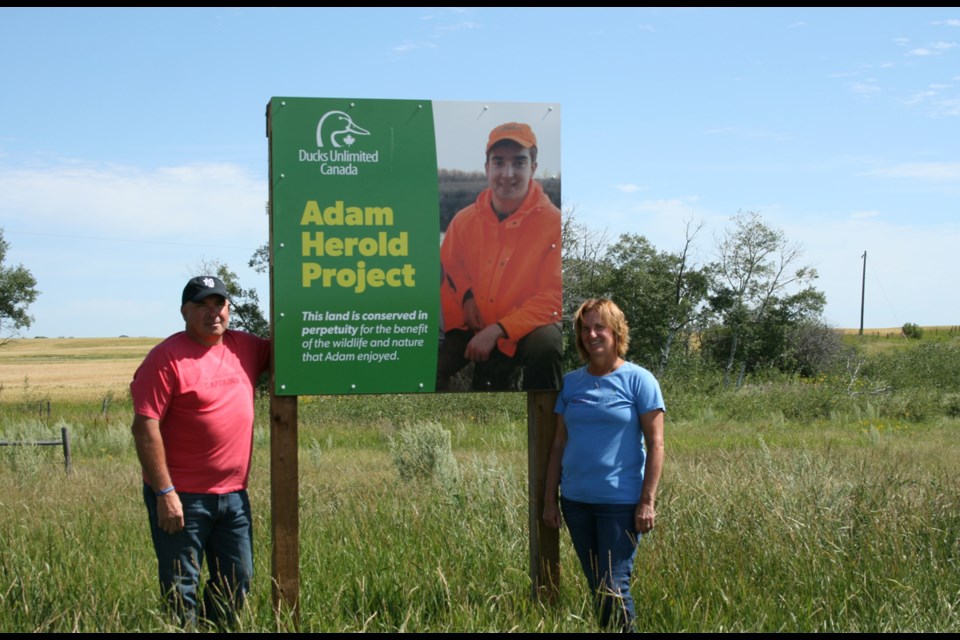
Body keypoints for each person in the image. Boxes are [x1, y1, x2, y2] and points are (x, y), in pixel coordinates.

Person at [130, 275, 271, 629]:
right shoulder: (165, 359)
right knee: (181, 590)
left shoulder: (245, 347)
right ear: (184, 312)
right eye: (201, 306)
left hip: (234, 497)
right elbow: (145, 427)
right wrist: (165, 493)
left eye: (219, 304)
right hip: (182, 498)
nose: (213, 314)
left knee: (237, 583)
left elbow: (296, 345)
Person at [542, 298, 666, 632]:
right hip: (577, 502)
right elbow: (558, 444)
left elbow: (656, 445)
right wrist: (549, 499)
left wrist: (647, 501)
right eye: (585, 329)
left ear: (616, 332)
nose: (592, 335)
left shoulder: (639, 381)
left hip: (620, 504)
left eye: (600, 327)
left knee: (613, 585)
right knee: (598, 585)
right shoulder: (571, 383)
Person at [436, 121, 563, 392]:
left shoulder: (554, 223)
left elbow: (553, 297)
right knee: (424, 367)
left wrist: (499, 330)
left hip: (521, 328)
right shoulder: (463, 220)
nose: (508, 173)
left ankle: (546, 416)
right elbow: (450, 267)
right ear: (487, 168)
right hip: (468, 325)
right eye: (498, 162)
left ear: (533, 168)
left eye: (518, 162)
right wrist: (467, 296)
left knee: (548, 344)